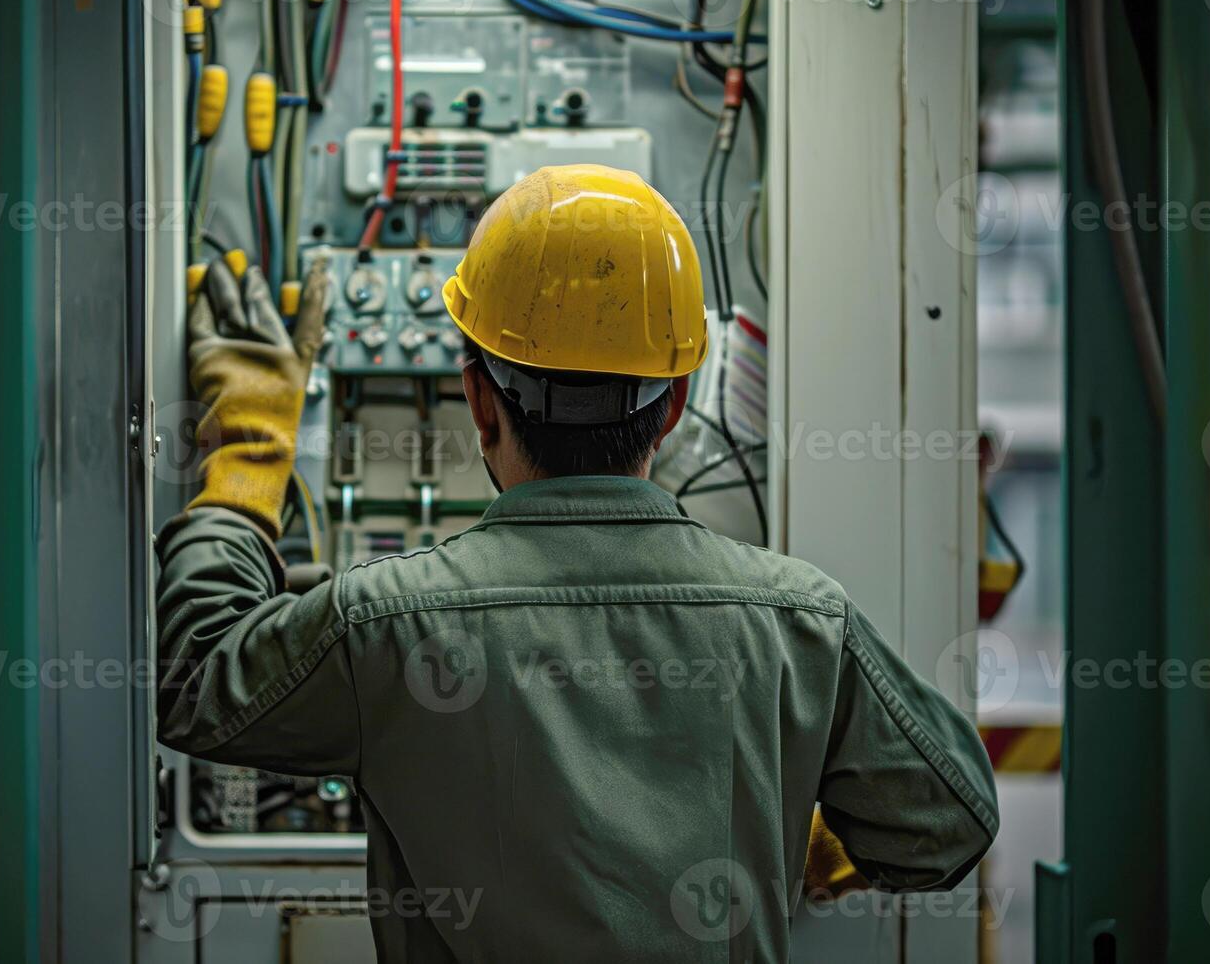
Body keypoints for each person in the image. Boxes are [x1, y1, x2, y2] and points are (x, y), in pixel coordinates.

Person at [156, 164, 998, 962]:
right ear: (672, 407)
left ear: (481, 402)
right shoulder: (800, 620)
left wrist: (251, 453)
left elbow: (193, 680)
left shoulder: (386, 624)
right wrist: (799, 836)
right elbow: (946, 823)